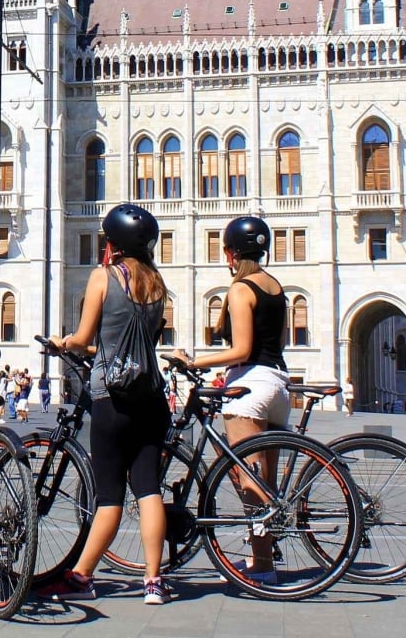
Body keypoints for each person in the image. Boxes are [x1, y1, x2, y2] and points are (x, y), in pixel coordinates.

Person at [40, 203, 173, 606]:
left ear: (113, 242)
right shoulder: (157, 283)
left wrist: (65, 343)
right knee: (148, 489)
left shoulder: (104, 276)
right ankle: (153, 581)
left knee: (110, 494)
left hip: (110, 396)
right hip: (150, 396)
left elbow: (82, 338)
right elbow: (139, 343)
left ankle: (82, 576)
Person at [170, 215, 291, 588]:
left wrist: (193, 361)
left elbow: (240, 349)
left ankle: (262, 565)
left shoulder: (241, 289)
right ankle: (262, 556)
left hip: (250, 388)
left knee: (245, 479)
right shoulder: (276, 287)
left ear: (231, 253)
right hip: (278, 386)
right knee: (263, 482)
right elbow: (278, 343)